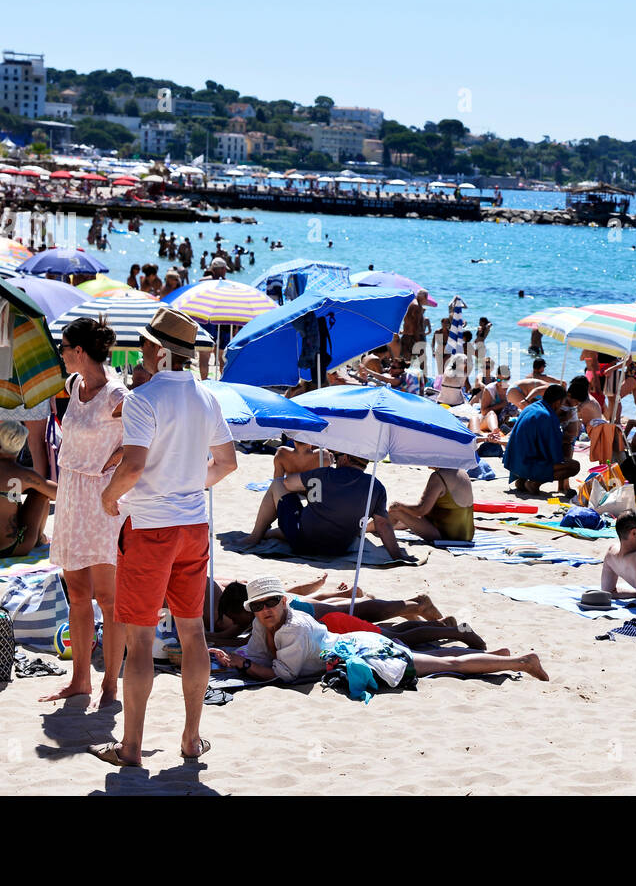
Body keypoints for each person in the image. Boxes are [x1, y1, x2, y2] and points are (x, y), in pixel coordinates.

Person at [93, 308, 239, 767]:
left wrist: (109, 498)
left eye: (142, 347)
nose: (139, 355)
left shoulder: (144, 398)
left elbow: (134, 467)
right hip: (193, 526)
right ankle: (192, 739)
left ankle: (132, 748)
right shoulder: (206, 397)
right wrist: (189, 484)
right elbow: (228, 462)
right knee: (193, 632)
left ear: (157, 351)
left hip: (151, 528)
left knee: (140, 640)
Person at [210, 577, 549, 685]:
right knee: (433, 657)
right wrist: (231, 658)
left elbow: (282, 675)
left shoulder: (294, 627)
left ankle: (520, 661)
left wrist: (239, 665)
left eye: (270, 603)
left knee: (444, 663)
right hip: (350, 643)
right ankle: (496, 658)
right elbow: (254, 654)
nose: (264, 610)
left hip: (361, 649)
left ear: (283, 601)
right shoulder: (262, 622)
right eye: (258, 606)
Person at [41, 318, 128, 706]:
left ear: (79, 351)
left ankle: (110, 684)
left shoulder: (117, 394)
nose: (61, 354)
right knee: (76, 594)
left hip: (102, 495)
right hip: (71, 493)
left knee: (109, 600)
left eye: (64, 347)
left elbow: (148, 437)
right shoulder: (73, 386)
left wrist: (118, 456)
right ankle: (80, 679)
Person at [241, 452, 410, 559]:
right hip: (339, 548)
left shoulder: (325, 474)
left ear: (344, 458)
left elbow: (287, 483)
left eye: (337, 458)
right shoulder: (376, 486)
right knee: (317, 520)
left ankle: (255, 536)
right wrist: (396, 555)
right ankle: (269, 534)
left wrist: (312, 481)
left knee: (276, 484)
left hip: (303, 542)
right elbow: (383, 524)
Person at [0, 422, 56, 558]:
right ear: (19, 448)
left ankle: (38, 537)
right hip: (7, 549)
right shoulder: (23, 474)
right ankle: (39, 538)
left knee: (9, 500)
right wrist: (36, 485)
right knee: (40, 493)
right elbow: (58, 494)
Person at [503, 384, 580, 495]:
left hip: (514, 463)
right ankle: (534, 483)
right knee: (574, 466)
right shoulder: (547, 416)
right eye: (562, 403)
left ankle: (522, 481)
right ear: (558, 402)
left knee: (534, 449)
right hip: (526, 463)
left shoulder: (531, 407)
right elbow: (553, 451)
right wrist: (565, 440)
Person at [388, 467, 475, 542]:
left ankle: (381, 531)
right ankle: (380, 526)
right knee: (405, 519)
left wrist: (399, 505)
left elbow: (421, 510)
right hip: (467, 535)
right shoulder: (462, 472)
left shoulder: (438, 476)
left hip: (448, 536)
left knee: (395, 511)